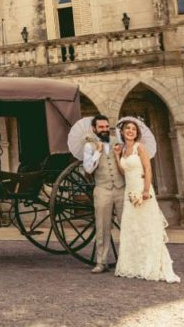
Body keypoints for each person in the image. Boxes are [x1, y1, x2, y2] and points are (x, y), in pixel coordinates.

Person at [113, 119, 180, 283]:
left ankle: (153, 264)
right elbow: (123, 171)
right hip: (129, 192)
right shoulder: (122, 150)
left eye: (133, 129)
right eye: (127, 128)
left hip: (142, 190)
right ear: (122, 132)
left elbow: (148, 168)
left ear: (137, 133)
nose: (130, 131)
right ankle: (134, 265)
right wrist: (116, 156)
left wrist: (145, 190)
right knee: (133, 227)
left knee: (147, 226)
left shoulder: (140, 147)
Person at [82, 114, 124, 274]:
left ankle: (127, 259)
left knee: (126, 225)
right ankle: (101, 261)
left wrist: (119, 154)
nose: (105, 130)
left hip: (121, 188)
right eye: (101, 127)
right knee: (102, 227)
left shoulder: (118, 142)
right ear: (94, 129)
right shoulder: (89, 146)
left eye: (106, 127)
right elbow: (88, 169)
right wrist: (98, 152)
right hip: (102, 189)